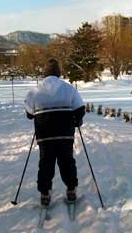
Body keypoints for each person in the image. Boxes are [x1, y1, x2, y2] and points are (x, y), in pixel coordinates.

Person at [24, 58, 85, 207]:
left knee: (46, 163)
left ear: (45, 73)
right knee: (67, 161)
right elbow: (80, 108)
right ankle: (71, 190)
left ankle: (45, 193)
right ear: (59, 72)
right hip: (65, 133)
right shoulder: (68, 88)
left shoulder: (35, 90)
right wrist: (77, 121)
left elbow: (29, 113)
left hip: (45, 135)